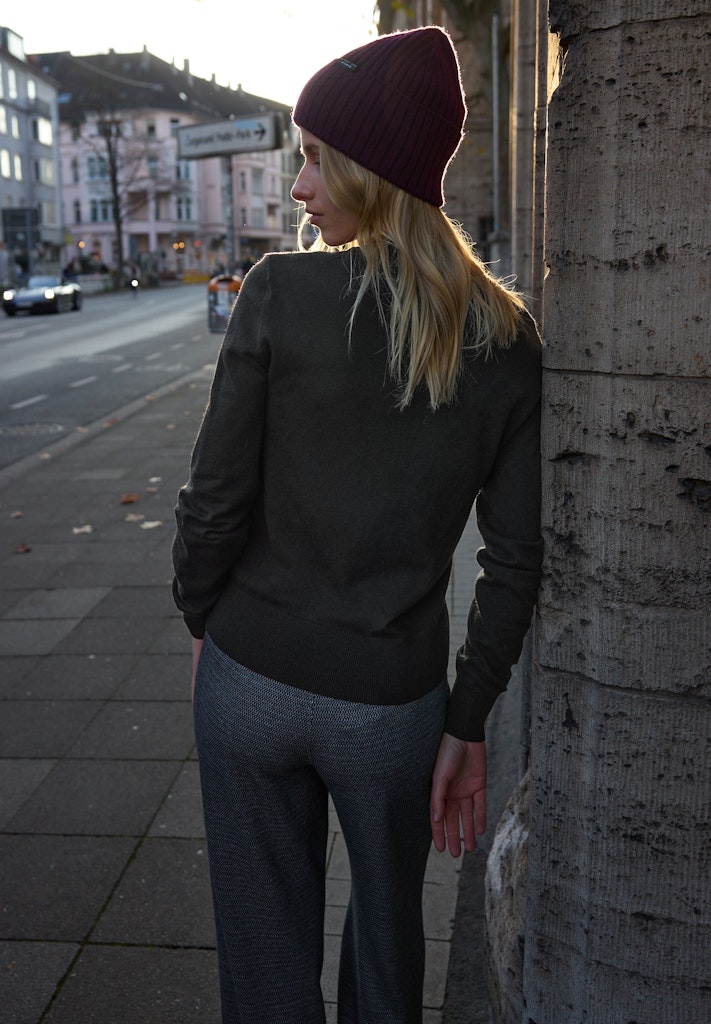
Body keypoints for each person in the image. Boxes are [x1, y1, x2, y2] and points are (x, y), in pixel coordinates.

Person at [172, 25, 542, 1024]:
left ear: (373, 171)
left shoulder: (278, 292)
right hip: (391, 709)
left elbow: (213, 502)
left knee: (263, 960)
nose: (299, 186)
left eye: (314, 159)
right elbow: (514, 562)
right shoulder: (507, 337)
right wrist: (466, 718)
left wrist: (203, 620)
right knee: (387, 950)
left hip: (250, 679)